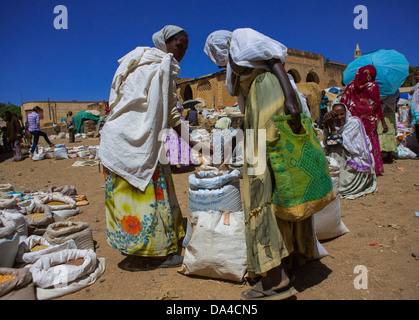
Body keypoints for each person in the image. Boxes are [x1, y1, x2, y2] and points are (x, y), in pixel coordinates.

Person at [205, 28, 315, 300]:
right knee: (278, 179)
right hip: (260, 104)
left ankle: (275, 276)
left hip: (270, 98)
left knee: (259, 183)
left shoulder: (240, 39)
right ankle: (287, 258)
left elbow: (274, 61)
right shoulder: (236, 65)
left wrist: (291, 100)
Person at [99, 25, 209, 268]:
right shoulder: (163, 64)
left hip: (119, 140)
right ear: (165, 43)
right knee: (150, 197)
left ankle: (162, 241)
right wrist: (195, 144)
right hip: (134, 141)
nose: (182, 52)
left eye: (186, 48)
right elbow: (170, 112)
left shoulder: (138, 61)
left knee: (143, 194)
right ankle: (157, 252)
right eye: (179, 46)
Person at [339, 65, 388, 175]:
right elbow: (377, 104)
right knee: (369, 144)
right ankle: (373, 168)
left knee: (355, 145)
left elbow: (343, 102)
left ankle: (357, 168)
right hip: (369, 122)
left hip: (353, 122)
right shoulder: (373, 86)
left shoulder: (351, 85)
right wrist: (383, 122)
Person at [323, 103, 377, 199]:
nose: (339, 118)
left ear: (346, 113)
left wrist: (331, 126)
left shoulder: (354, 123)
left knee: (336, 149)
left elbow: (339, 142)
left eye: (342, 114)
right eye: (336, 115)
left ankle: (343, 183)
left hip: (354, 159)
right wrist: (326, 126)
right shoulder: (334, 125)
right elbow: (327, 143)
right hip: (342, 160)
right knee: (327, 150)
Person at [377, 90, 399, 162]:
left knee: (388, 132)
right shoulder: (394, 88)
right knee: (383, 132)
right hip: (388, 112)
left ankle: (388, 155)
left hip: (387, 112)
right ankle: (385, 155)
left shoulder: (393, 90)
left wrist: (382, 99)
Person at [409, 68, 419, 158]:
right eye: (416, 75)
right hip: (415, 112)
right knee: (417, 132)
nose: (417, 77)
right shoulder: (415, 87)